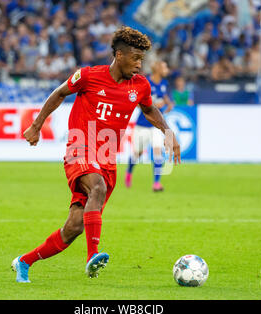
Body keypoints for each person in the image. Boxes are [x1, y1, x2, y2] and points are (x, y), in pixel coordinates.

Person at [11, 26, 181, 283]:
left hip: (107, 157)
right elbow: (59, 94)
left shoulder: (140, 86)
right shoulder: (88, 76)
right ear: (119, 55)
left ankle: (24, 261)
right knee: (98, 188)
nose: (139, 65)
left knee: (74, 228)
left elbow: (149, 110)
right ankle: (93, 256)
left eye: (142, 60)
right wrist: (36, 126)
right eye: (135, 58)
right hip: (80, 148)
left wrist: (168, 131)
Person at [125, 60, 174, 192]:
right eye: (164, 66)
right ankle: (129, 173)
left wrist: (167, 105)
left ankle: (156, 183)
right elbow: (136, 102)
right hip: (142, 125)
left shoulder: (164, 83)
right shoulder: (145, 82)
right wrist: (151, 106)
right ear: (157, 68)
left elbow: (166, 99)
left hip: (156, 126)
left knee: (158, 151)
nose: (166, 69)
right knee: (137, 154)